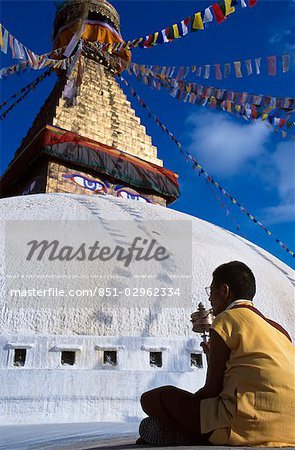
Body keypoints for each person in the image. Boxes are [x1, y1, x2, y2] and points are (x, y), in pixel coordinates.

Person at [137, 261, 295, 446]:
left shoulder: (226, 319)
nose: (210, 299)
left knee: (153, 399)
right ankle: (182, 431)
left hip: (245, 424)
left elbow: (212, 390)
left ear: (224, 291)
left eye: (211, 290)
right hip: (291, 429)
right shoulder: (279, 329)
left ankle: (185, 433)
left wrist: (184, 414)